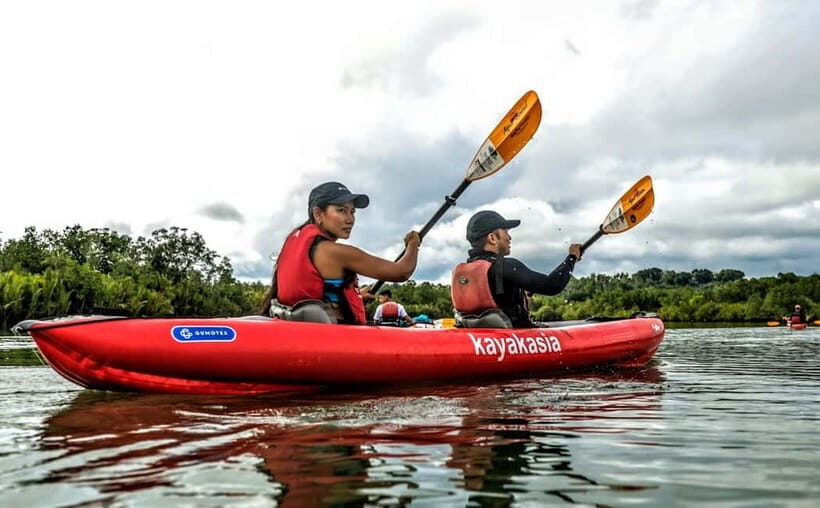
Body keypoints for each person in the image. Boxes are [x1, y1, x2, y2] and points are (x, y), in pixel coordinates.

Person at [261, 181, 421, 325]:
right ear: (318, 214)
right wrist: (413, 244)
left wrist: (354, 299)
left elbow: (316, 298)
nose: (350, 219)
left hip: (302, 335)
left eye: (352, 212)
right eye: (341, 210)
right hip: (332, 342)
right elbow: (401, 272)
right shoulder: (335, 252)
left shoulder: (295, 242)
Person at [450, 210, 581, 328]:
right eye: (506, 232)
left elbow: (496, 300)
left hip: (484, 342)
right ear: (492, 238)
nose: (509, 237)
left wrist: (520, 295)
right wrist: (572, 257)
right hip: (514, 341)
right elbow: (553, 285)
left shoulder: (462, 272)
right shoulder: (505, 266)